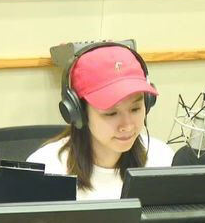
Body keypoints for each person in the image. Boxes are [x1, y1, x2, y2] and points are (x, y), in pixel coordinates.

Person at [27, 43, 174, 200]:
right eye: (111, 113)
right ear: (78, 112)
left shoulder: (163, 160)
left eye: (135, 109)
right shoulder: (45, 171)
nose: (127, 126)